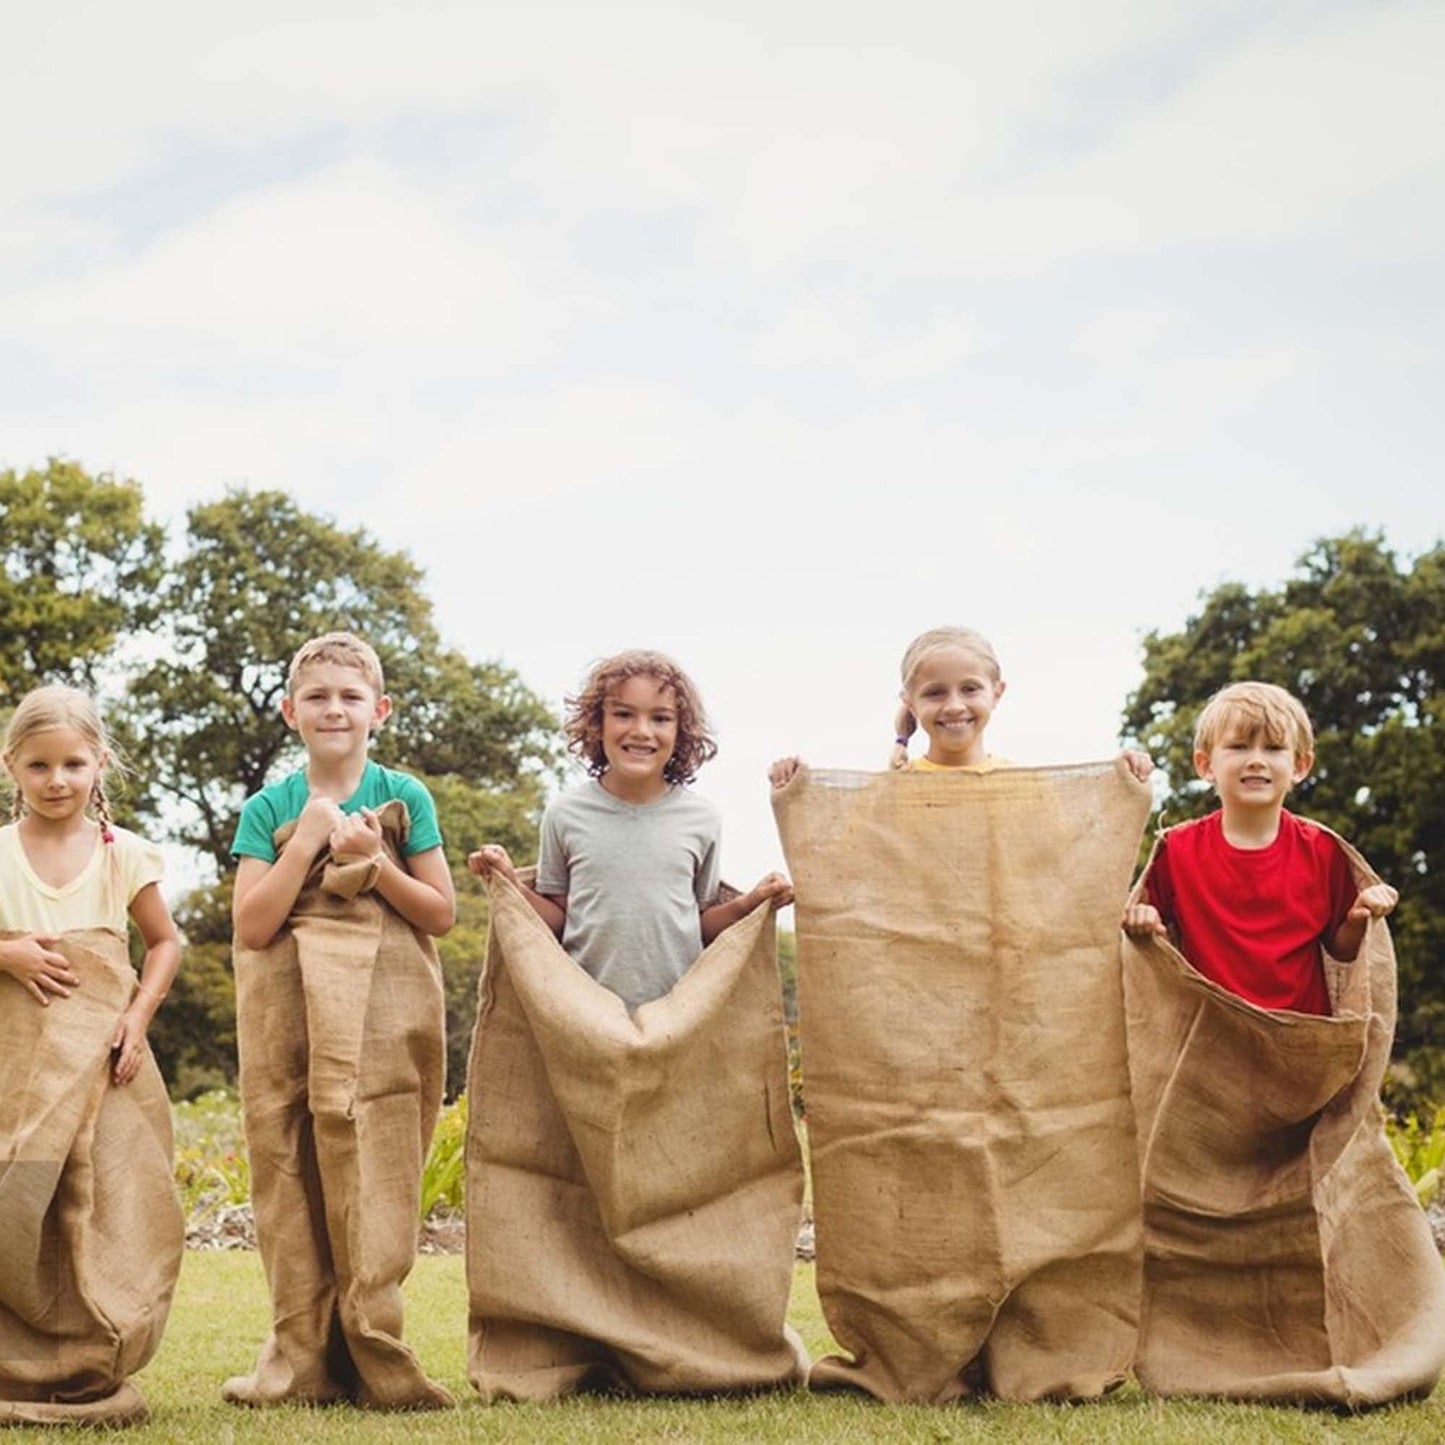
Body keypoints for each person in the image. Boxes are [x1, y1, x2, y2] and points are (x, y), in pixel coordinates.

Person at [224, 631, 453, 1410]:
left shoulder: (405, 796)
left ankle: (375, 1349)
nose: (334, 708)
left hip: (384, 1021)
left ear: (378, 710)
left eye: (350, 696)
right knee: (289, 1171)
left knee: (377, 1172)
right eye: (317, 697)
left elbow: (441, 913)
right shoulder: (270, 807)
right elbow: (253, 927)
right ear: (290, 712)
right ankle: (302, 1358)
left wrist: (374, 859)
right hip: (289, 1020)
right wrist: (311, 843)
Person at [0, 684, 182, 1425]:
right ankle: (18, 1353)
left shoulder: (123, 854)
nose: (57, 780)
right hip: (17, 1062)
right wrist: (8, 953)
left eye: (73, 763)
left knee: (106, 1201)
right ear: (12, 765)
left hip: (106, 1062)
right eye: (39, 765)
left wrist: (136, 1015)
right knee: (22, 1194)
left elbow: (164, 942)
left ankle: (88, 1351)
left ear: (100, 762)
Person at [470, 648, 791, 1009]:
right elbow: (559, 922)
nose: (641, 731)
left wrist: (752, 902)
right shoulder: (565, 814)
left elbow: (700, 926)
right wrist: (509, 883)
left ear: (681, 730)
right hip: (585, 1016)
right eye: (623, 714)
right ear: (597, 723)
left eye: (660, 718)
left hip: (678, 1018)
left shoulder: (702, 818)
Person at [1122, 680, 1396, 1014]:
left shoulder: (1322, 850)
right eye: (1238, 746)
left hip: (1300, 1044)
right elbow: (1144, 934)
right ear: (1205, 765)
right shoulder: (1177, 849)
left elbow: (1340, 950)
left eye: (1273, 748)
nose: (1256, 760)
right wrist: (1143, 918)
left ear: (1300, 766)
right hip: (1210, 1044)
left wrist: (1359, 916)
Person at [769, 625, 1153, 784]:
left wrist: (1124, 778)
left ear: (997, 692)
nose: (954, 706)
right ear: (910, 701)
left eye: (970, 689)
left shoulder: (1021, 787)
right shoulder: (894, 788)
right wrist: (794, 786)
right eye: (935, 693)